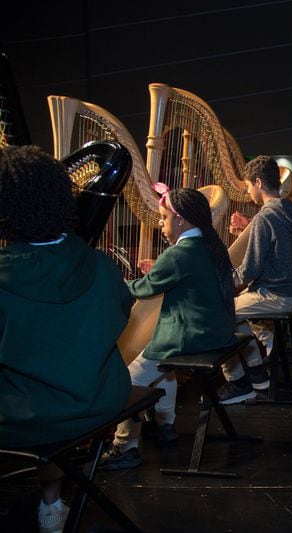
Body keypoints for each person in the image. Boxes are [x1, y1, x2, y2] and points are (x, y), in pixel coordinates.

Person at [0, 145, 133, 532]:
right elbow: (120, 314)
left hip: (27, 418)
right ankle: (52, 504)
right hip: (98, 403)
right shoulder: (101, 265)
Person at [100, 186, 236, 470]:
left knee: (128, 381)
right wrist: (159, 269)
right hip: (216, 330)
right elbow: (183, 277)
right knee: (163, 369)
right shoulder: (211, 244)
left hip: (192, 336)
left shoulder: (179, 254)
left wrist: (113, 283)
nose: (161, 224)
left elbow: (142, 289)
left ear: (181, 220)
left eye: (163, 218)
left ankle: (125, 447)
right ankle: (165, 424)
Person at [216, 155, 292, 405]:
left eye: (247, 187)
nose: (248, 193)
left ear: (258, 182)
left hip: (276, 295)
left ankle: (238, 383)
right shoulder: (288, 210)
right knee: (237, 310)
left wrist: (220, 282)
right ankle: (257, 372)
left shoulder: (265, 217)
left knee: (220, 314)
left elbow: (249, 271)